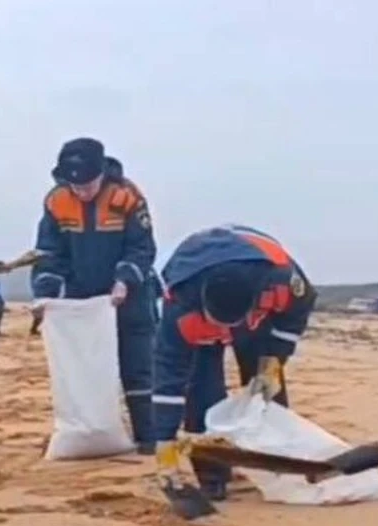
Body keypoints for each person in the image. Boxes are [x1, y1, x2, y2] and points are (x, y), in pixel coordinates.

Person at [152, 224, 317, 500]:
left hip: (255, 321)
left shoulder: (281, 278)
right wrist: (164, 443)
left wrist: (274, 360)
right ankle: (212, 476)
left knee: (265, 389)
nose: (225, 334)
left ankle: (275, 462)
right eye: (219, 326)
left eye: (230, 326)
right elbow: (169, 376)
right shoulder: (179, 305)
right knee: (202, 389)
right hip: (200, 310)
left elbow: (296, 313)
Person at [31, 137, 158, 453]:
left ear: (101, 173)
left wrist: (125, 279)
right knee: (84, 369)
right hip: (83, 300)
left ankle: (149, 436)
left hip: (129, 298)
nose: (82, 191)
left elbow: (142, 248)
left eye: (88, 184)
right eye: (76, 186)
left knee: (137, 366)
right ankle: (91, 431)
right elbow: (49, 253)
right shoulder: (57, 201)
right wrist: (46, 292)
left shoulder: (127, 197)